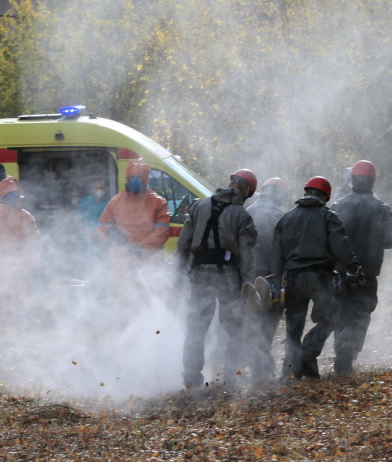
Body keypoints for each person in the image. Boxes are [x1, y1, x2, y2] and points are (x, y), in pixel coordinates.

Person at [270, 176, 361, 381]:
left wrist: (278, 281)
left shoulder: (287, 218)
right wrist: (353, 265)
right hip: (320, 276)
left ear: (305, 192)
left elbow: (276, 253)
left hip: (293, 278)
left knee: (294, 326)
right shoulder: (328, 215)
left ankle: (290, 373)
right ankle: (307, 353)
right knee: (329, 319)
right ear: (325, 196)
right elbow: (340, 245)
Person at [176, 169, 258, 389]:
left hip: (199, 273)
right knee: (235, 327)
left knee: (196, 327)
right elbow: (247, 254)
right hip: (227, 277)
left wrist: (178, 273)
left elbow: (183, 244)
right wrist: (248, 285)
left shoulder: (198, 206)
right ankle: (233, 376)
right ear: (246, 190)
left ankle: (191, 378)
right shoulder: (242, 215)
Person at [330, 160, 392, 375]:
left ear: (352, 180)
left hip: (340, 272)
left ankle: (341, 357)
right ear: (372, 182)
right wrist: (377, 244)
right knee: (361, 312)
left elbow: (327, 237)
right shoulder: (381, 208)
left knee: (341, 312)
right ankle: (349, 347)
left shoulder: (337, 206)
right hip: (367, 273)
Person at [98, 159, 170, 310]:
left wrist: (141, 247)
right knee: (122, 296)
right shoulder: (116, 201)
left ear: (146, 180)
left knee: (149, 295)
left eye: (139, 178)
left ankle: (152, 330)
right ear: (127, 178)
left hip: (149, 259)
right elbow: (102, 225)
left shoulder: (158, 202)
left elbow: (162, 232)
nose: (135, 181)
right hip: (122, 258)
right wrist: (112, 232)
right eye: (132, 178)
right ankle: (124, 328)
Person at [243, 177, 287, 381]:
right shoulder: (282, 215)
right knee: (269, 323)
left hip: (249, 275)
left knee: (252, 322)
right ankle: (262, 369)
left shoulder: (248, 211)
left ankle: (258, 366)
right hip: (272, 275)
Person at [0, 176, 40, 306]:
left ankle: (16, 320)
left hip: (19, 263)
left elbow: (34, 241)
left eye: (15, 195)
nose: (13, 199)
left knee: (18, 295)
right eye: (9, 195)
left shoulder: (26, 217)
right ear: (3, 197)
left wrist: (34, 260)